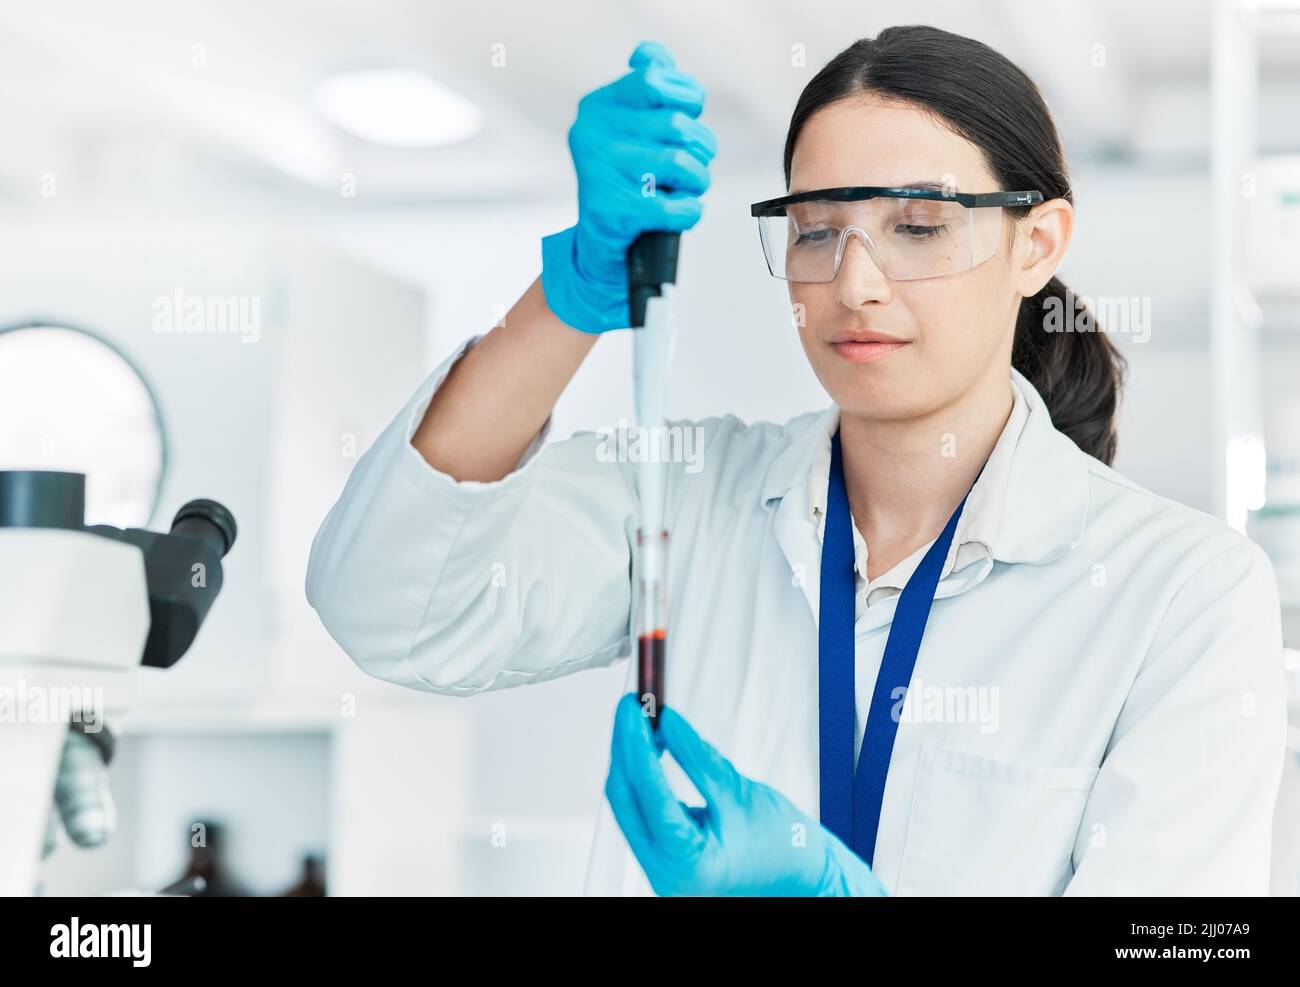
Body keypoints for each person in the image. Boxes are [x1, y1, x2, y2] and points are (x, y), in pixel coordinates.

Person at [306, 29, 1286, 895]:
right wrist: (571, 298)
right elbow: (391, 604)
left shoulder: (1180, 596)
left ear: (1037, 244)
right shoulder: (690, 496)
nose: (854, 284)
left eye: (917, 227)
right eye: (818, 231)